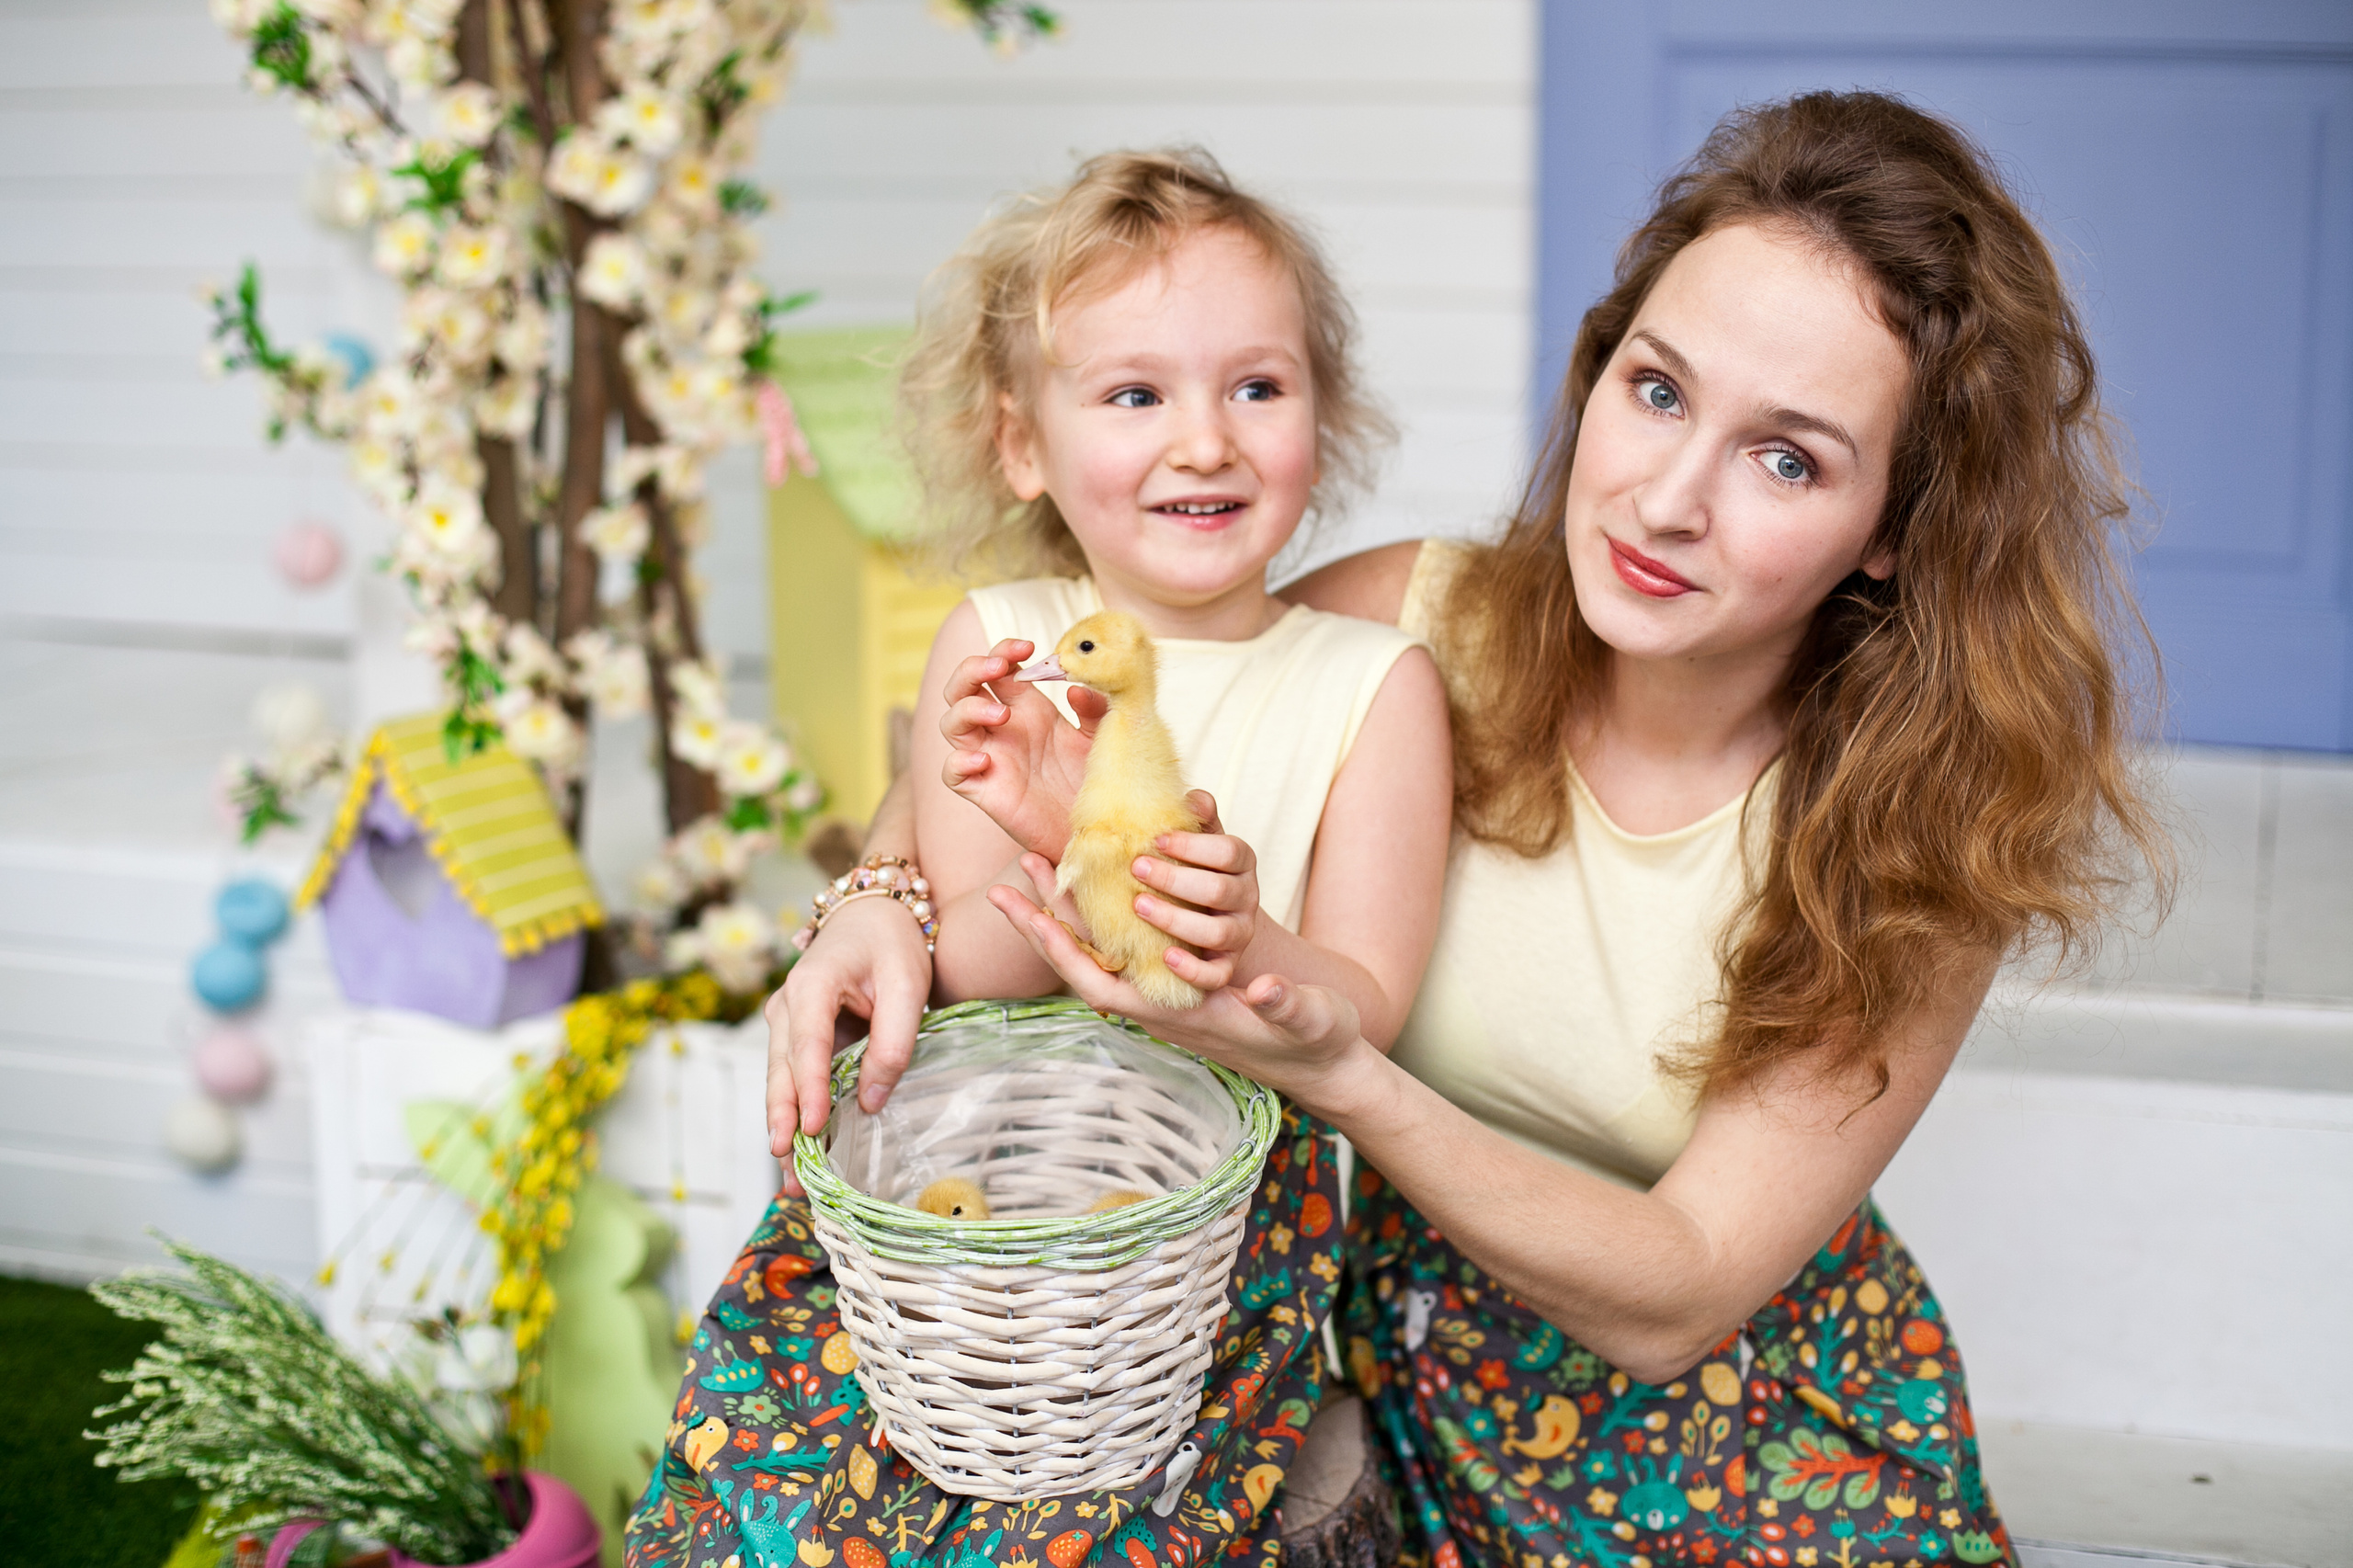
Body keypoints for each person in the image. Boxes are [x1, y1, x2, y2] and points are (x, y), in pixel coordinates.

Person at [754, 91, 2171, 1568]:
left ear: (1892, 526)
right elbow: (1078, 740)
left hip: (1760, 1443)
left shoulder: (1920, 838)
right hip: (1426, 1388)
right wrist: (880, 892)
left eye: (1789, 458)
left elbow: (1683, 1286)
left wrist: (1340, 1074)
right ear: (1597, 370)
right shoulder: (1415, 631)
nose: (1668, 498)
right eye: (1660, 390)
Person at [626, 149, 1451, 1568]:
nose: (1206, 440)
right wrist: (1036, 831)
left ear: (1322, 409)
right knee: (782, 1469)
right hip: (967, 1204)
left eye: (1258, 386)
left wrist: (1234, 932)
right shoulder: (999, 638)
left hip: (1199, 1247)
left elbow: (1367, 1007)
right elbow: (983, 979)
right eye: (1136, 394)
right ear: (1023, 444)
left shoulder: (1375, 686)